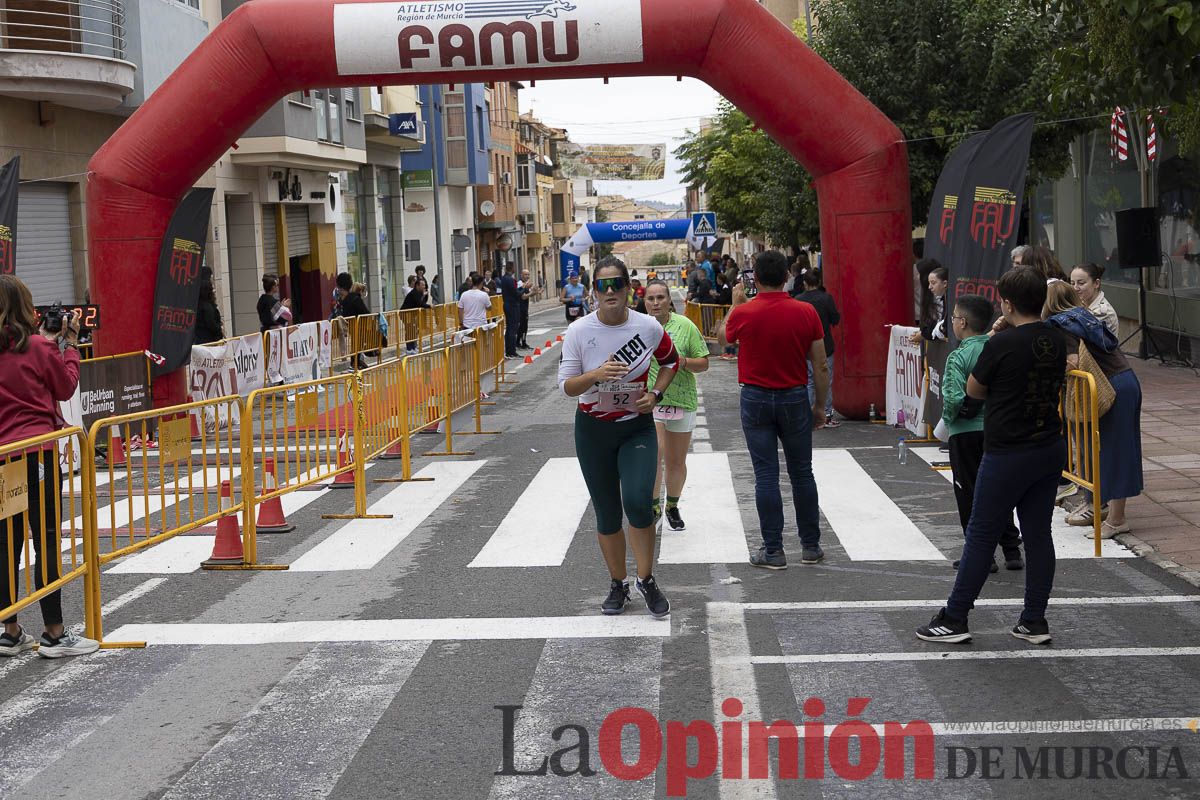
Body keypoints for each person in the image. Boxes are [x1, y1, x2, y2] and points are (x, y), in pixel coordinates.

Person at [917, 267, 1067, 645]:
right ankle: (1034, 619)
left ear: (1007, 303)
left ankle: (955, 617)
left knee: (982, 534)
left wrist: (999, 335)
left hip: (1007, 450)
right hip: (1048, 445)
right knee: (1038, 535)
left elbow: (974, 390)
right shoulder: (1055, 338)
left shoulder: (999, 344)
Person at [557, 256, 680, 619]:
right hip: (593, 430)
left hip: (635, 426)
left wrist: (655, 395)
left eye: (616, 285)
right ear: (593, 291)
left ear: (629, 289)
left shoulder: (648, 327)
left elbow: (671, 362)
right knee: (607, 513)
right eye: (602, 286)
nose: (609, 292)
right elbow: (566, 386)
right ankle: (618, 583)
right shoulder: (580, 331)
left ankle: (647, 578)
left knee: (640, 502)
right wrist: (596, 374)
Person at [0, 275, 98, 658]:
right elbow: (65, 387)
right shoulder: (41, 347)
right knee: (45, 539)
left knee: (6, 544)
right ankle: (54, 632)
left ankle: (10, 629)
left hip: (3, 457)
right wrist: (69, 346)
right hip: (37, 452)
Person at [718, 250, 829, 570]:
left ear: (756, 280)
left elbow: (722, 337)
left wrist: (736, 304)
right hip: (794, 396)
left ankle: (773, 550)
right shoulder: (806, 311)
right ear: (786, 278)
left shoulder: (744, 313)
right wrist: (820, 406)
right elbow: (820, 365)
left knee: (766, 475)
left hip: (755, 398)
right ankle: (810, 545)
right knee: (802, 472)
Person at [1043, 281, 1143, 537]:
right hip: (1121, 381)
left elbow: (1072, 362)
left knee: (1113, 451)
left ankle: (1117, 519)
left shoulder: (1060, 324)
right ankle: (1097, 506)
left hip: (1108, 387)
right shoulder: (1081, 316)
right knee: (1105, 449)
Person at [941, 294, 1024, 573]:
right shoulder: (997, 348)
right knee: (999, 489)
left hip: (964, 434)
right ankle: (1012, 550)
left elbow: (953, 399)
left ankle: (981, 555)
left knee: (969, 493)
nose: (952, 322)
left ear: (962, 322)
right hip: (997, 428)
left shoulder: (958, 356)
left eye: (953, 317)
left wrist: (949, 420)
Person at [644, 279, 709, 531]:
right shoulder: (638, 328)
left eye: (661, 297)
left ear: (669, 300)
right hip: (651, 400)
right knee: (655, 454)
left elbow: (703, 363)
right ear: (645, 302)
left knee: (676, 461)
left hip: (682, 400)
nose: (656, 302)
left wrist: (681, 362)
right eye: (651, 298)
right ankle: (653, 505)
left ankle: (672, 505)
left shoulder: (685, 326)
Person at [795, 269, 841, 427]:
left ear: (805, 283)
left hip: (805, 345)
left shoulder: (799, 299)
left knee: (809, 381)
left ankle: (807, 413)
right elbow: (835, 318)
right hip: (825, 343)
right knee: (826, 379)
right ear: (819, 282)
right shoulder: (826, 298)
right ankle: (827, 414)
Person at [1069, 262, 1119, 337]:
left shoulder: (1103, 313)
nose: (1075, 288)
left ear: (1096, 283)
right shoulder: (1082, 302)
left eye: (1081, 283)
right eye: (1072, 283)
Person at [909, 265, 948, 344]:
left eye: (933, 283)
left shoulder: (948, 299)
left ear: (945, 283)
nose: (930, 287)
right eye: (929, 283)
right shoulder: (942, 298)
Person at [400, 276, 432, 353]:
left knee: (414, 330)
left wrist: (424, 295)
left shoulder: (419, 293)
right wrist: (429, 306)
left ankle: (413, 347)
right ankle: (409, 348)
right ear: (417, 286)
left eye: (424, 285)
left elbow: (422, 301)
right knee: (409, 330)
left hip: (412, 313)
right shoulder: (414, 293)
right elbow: (420, 303)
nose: (424, 287)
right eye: (422, 285)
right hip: (406, 313)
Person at [500, 262, 522, 358]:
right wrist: (524, 288)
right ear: (511, 268)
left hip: (507, 304)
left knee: (510, 328)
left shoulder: (504, 278)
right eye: (514, 267)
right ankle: (511, 351)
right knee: (513, 328)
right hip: (512, 305)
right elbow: (515, 293)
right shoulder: (510, 279)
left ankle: (509, 350)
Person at [194, 280, 224, 344]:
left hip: (199, 339)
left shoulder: (197, 305)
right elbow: (212, 324)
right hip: (209, 340)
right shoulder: (207, 306)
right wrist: (219, 329)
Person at [517, 270, 536, 349]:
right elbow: (523, 296)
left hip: (525, 308)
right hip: (520, 308)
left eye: (528, 274)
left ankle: (523, 342)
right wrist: (531, 293)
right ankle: (519, 342)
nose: (527, 276)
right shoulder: (520, 284)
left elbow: (528, 295)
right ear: (521, 275)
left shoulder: (526, 284)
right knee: (521, 326)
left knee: (525, 326)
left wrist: (536, 292)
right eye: (525, 274)